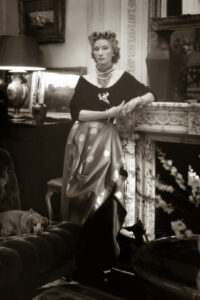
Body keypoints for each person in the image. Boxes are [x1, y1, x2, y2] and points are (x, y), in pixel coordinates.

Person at [60, 30, 155, 275]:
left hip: (106, 143)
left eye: (105, 48)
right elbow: (77, 114)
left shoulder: (123, 79)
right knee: (83, 198)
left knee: (107, 196)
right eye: (96, 50)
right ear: (93, 54)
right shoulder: (85, 80)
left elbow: (151, 93)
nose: (100, 53)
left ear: (114, 51)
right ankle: (82, 259)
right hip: (82, 144)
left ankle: (103, 258)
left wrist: (135, 102)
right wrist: (108, 114)